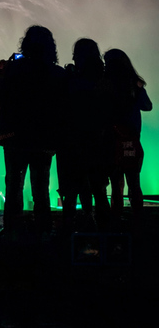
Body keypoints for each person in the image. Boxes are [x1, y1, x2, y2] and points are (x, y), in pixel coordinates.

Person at [0, 25, 66, 235]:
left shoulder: (13, 69)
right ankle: (43, 229)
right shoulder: (57, 73)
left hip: (15, 137)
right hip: (43, 139)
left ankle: (11, 229)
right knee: (41, 187)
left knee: (13, 184)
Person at [57, 38, 110, 232]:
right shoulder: (104, 79)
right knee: (99, 191)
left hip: (72, 144)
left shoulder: (71, 81)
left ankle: (69, 236)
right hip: (98, 143)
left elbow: (63, 109)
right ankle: (106, 237)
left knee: (70, 194)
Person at [103, 49, 152, 228]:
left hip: (112, 141)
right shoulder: (134, 85)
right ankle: (138, 223)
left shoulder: (104, 83)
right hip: (131, 140)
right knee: (134, 183)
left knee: (117, 186)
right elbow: (148, 106)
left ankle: (116, 223)